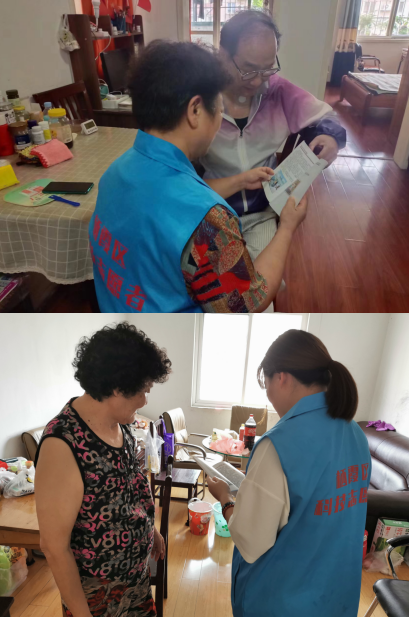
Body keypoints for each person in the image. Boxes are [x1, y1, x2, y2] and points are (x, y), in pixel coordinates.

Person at [89, 41, 307, 314]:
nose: (219, 121)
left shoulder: (114, 173)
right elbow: (248, 304)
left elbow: (174, 202)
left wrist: (240, 180)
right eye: (219, 109)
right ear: (195, 110)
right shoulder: (210, 223)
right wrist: (286, 226)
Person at [208, 329, 371, 617]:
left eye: (266, 384)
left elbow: (250, 541)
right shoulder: (356, 433)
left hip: (281, 600)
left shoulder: (278, 444)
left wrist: (225, 499)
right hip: (336, 597)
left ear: (281, 377)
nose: (269, 396)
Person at [34, 323, 172, 617]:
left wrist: (151, 530)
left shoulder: (122, 426)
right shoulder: (63, 442)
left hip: (136, 580)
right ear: (118, 388)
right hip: (96, 595)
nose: (146, 400)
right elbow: (54, 547)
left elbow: (132, 489)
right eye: (144, 391)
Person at [201, 10, 347, 260]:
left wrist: (331, 136)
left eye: (267, 69)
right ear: (223, 54)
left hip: (262, 212)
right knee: (218, 279)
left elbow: (326, 116)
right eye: (248, 69)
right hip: (212, 209)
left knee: (261, 277)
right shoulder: (202, 97)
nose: (257, 81)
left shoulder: (277, 90)